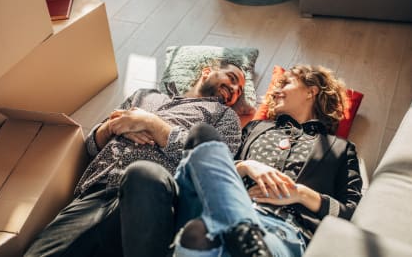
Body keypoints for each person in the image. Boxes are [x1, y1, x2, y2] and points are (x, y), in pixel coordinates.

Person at [24, 60, 246, 257]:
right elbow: (92, 146)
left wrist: (152, 124)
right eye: (232, 78)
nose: (234, 90)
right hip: (95, 192)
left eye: (239, 91)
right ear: (207, 71)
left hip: (150, 199)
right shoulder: (145, 96)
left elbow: (213, 166)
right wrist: (114, 126)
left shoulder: (225, 117)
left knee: (143, 174)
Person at [173, 64, 363, 257]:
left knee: (196, 234)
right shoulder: (255, 128)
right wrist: (246, 166)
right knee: (202, 134)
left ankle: (246, 238)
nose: (275, 91)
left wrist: (300, 194)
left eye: (286, 83)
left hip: (284, 231)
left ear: (311, 91)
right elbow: (216, 174)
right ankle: (242, 231)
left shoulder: (340, 148)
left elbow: (352, 212)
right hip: (233, 210)